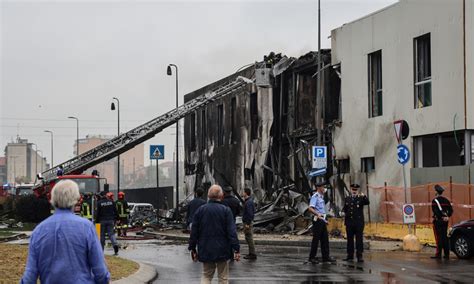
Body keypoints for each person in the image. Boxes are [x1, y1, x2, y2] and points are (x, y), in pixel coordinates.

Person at [21, 179, 110, 283]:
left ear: (52, 198)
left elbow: (30, 276)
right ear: (76, 199)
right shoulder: (87, 228)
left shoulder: (38, 231)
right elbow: (100, 271)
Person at [188, 185, 240, 284]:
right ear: (221, 196)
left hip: (205, 248)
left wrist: (193, 248)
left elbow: (194, 232)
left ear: (208, 196)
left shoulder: (200, 210)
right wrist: (236, 248)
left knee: (206, 275)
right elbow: (231, 232)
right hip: (223, 249)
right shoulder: (226, 210)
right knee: (223, 277)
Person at [308, 182, 335, 264]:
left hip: (322, 220)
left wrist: (325, 220)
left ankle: (325, 257)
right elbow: (310, 208)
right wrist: (317, 214)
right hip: (317, 220)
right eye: (323, 187)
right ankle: (312, 257)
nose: (324, 188)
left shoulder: (321, 197)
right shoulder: (315, 196)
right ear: (318, 188)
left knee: (325, 239)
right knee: (316, 239)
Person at [342, 184, 370, 262]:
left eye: (355, 190)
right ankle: (350, 255)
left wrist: (364, 196)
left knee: (359, 240)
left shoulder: (361, 198)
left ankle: (359, 256)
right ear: (350, 190)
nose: (354, 191)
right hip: (349, 223)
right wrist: (343, 213)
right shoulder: (347, 198)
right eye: (353, 190)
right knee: (350, 240)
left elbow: (367, 202)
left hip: (358, 223)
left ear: (358, 191)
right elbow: (345, 208)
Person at [431, 184, 453, 259]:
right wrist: (447, 216)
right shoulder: (446, 200)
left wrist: (441, 217)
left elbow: (435, 211)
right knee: (445, 237)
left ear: (436, 192)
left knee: (439, 237)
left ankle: (438, 254)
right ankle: (447, 254)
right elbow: (451, 210)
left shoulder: (434, 201)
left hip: (438, 221)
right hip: (445, 221)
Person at [96, 191, 119, 255]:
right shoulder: (111, 202)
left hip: (102, 221)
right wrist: (117, 218)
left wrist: (97, 221)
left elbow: (97, 213)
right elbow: (116, 211)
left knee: (102, 235)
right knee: (111, 234)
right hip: (110, 220)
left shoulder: (99, 203)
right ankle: (115, 245)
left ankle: (101, 250)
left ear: (100, 196)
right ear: (106, 195)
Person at [242, 188, 256, 260]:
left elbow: (250, 213)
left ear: (246, 193)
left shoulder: (248, 202)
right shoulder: (248, 201)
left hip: (247, 222)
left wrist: (247, 223)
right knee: (248, 237)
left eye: (243, 192)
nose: (242, 193)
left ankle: (252, 254)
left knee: (249, 237)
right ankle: (251, 253)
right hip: (247, 222)